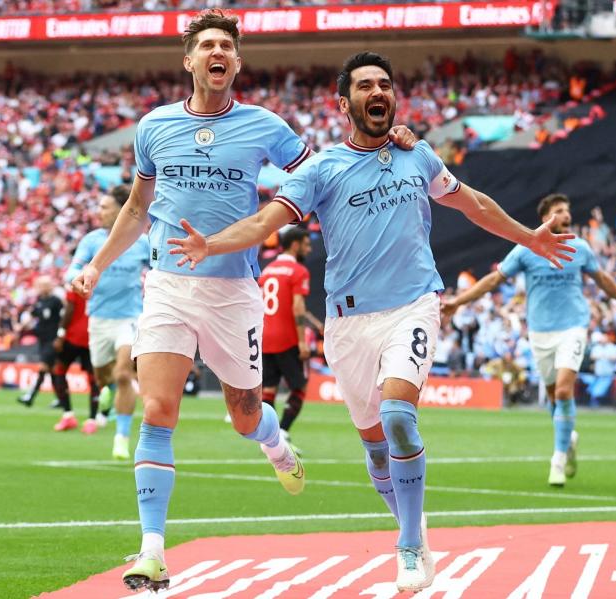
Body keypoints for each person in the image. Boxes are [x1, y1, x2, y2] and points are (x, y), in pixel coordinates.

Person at [168, 51, 575, 593]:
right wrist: (211, 244)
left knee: (399, 417)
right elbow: (269, 219)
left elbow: (471, 203)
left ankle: (407, 544)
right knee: (376, 447)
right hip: (347, 325)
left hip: (413, 306)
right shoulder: (321, 170)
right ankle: (414, 526)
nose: (378, 91)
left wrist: (530, 236)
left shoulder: (419, 155)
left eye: (385, 83)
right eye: (365, 86)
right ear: (345, 103)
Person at [71, 13, 417, 593]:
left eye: (226, 46)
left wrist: (391, 144)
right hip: (167, 286)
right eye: (206, 44)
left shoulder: (264, 125)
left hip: (233, 291)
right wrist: (96, 263)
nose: (216, 51)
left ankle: (278, 447)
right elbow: (135, 208)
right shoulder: (154, 127)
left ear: (237, 62)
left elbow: (324, 173)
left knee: (245, 416)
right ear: (189, 61)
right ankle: (152, 551)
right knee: (158, 411)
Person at [442, 193, 616, 487]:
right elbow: (493, 280)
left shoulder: (580, 248)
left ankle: (558, 458)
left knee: (564, 392)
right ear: (545, 219)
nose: (566, 215)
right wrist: (458, 302)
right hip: (540, 332)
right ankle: (569, 438)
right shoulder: (526, 250)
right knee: (555, 399)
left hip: (573, 327)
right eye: (559, 211)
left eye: (567, 210)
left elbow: (602, 279)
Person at [67, 185, 149, 458]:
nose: (99, 212)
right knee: (103, 376)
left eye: (104, 207)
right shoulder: (91, 241)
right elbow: (73, 269)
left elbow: (160, 269)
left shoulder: (142, 243)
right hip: (99, 319)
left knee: (124, 373)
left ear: (119, 209)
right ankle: (108, 389)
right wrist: (75, 280)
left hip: (130, 317)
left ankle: (121, 438)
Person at [258, 227, 313, 454]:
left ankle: (269, 439)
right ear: (295, 244)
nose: (309, 249)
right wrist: (302, 341)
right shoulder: (298, 271)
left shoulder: (268, 269)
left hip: (265, 336)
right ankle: (283, 431)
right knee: (300, 387)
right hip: (287, 337)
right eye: (306, 244)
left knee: (268, 388)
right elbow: (297, 306)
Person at [51, 285, 103, 434]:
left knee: (59, 371)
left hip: (73, 336)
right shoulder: (103, 283)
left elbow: (70, 309)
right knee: (94, 379)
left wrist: (61, 333)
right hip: (94, 336)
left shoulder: (77, 282)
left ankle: (68, 415)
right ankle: (92, 420)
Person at [16, 276, 64, 408]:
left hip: (52, 340)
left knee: (43, 367)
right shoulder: (39, 301)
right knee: (52, 370)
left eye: (42, 285)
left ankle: (30, 396)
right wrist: (21, 326)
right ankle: (61, 399)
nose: (39, 288)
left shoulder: (56, 301)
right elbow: (32, 315)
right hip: (42, 340)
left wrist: (61, 336)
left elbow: (63, 318)